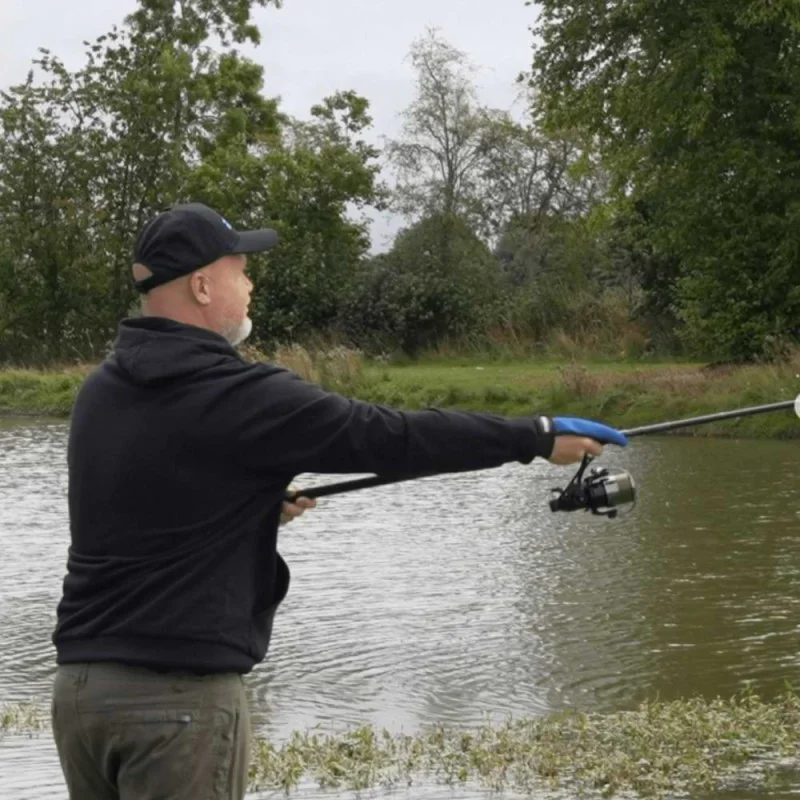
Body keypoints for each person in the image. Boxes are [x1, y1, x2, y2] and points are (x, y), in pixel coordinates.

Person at [51, 202, 628, 800]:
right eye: (241, 268)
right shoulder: (241, 396)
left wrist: (251, 506)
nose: (249, 284)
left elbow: (140, 509)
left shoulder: (101, 392)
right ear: (201, 285)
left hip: (80, 696)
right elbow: (392, 436)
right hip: (178, 705)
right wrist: (533, 437)